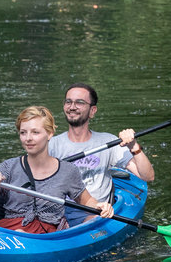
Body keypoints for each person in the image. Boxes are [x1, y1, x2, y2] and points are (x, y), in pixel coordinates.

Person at [0, 105, 113, 233]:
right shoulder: (8, 167)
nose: (28, 138)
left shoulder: (68, 171)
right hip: (10, 231)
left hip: (48, 235)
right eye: (23, 133)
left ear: (50, 133)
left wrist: (100, 206)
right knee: (18, 232)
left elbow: (86, 201)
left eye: (35, 132)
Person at [48, 83, 155, 225]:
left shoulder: (108, 142)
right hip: (59, 213)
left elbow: (147, 176)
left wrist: (133, 146)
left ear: (92, 111)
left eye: (79, 102)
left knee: (88, 221)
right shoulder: (51, 145)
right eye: (68, 101)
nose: (72, 107)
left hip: (94, 213)